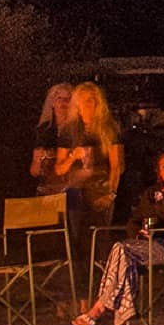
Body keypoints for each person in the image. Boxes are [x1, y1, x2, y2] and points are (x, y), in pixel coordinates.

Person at [72, 150, 164, 325]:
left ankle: (99, 309)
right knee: (124, 257)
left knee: (121, 250)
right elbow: (134, 221)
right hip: (142, 247)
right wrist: (138, 234)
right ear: (158, 172)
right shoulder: (151, 193)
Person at [66, 82, 124, 226]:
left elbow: (117, 165)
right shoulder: (71, 130)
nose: (86, 104)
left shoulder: (109, 130)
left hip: (100, 190)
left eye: (90, 100)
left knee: (99, 235)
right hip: (75, 191)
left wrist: (111, 195)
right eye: (82, 100)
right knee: (75, 236)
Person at [30, 83, 77, 197]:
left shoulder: (78, 128)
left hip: (73, 189)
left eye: (67, 99)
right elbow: (34, 172)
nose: (63, 102)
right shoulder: (43, 130)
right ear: (52, 102)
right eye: (59, 98)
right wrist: (38, 160)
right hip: (48, 190)